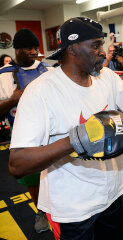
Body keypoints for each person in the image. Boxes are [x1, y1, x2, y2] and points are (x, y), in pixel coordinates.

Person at [8, 17, 123, 240]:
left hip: (112, 194)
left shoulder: (107, 77)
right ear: (73, 49)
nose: (102, 51)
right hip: (73, 208)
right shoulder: (40, 91)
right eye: (96, 45)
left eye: (102, 45)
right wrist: (76, 140)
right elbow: (17, 164)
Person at [0, 28, 51, 233]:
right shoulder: (3, 76)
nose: (34, 52)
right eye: (29, 48)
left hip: (51, 131)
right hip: (23, 133)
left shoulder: (47, 70)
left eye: (35, 48)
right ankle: (41, 211)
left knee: (58, 172)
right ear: (17, 50)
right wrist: (13, 99)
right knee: (33, 177)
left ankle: (60, 208)